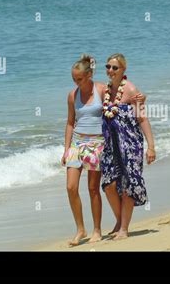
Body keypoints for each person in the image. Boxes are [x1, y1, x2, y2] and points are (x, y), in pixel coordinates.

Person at [101, 53, 156, 240]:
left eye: (115, 68)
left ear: (123, 69)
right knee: (108, 184)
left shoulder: (131, 90)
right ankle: (120, 220)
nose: (110, 71)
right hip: (111, 146)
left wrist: (151, 147)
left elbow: (142, 118)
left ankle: (124, 229)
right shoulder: (105, 91)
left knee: (127, 186)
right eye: (108, 67)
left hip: (130, 145)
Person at [61, 54, 106, 246]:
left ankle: (97, 229)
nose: (76, 82)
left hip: (97, 143)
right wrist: (66, 149)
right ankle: (80, 229)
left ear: (89, 75)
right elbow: (70, 122)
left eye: (79, 78)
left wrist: (140, 99)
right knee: (71, 187)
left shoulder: (102, 90)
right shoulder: (72, 95)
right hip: (77, 143)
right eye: (73, 79)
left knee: (93, 188)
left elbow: (119, 104)